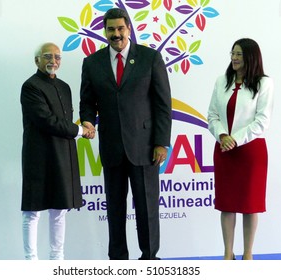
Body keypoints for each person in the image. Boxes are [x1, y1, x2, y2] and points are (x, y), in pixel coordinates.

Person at [79, 8, 172, 260]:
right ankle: (118, 262)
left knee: (147, 209)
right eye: (111, 29)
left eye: (120, 28)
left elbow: (163, 104)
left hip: (144, 148)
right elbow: (87, 102)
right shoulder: (92, 62)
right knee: (115, 209)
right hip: (111, 147)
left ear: (129, 29)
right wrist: (87, 120)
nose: (116, 34)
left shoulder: (150, 58)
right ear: (104, 31)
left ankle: (150, 258)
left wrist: (161, 143)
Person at [20, 42, 89, 260]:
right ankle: (31, 262)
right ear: (37, 60)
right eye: (48, 56)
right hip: (38, 156)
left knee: (59, 210)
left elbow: (62, 121)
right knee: (32, 212)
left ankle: (56, 261)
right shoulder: (30, 87)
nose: (53, 61)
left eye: (57, 57)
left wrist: (78, 130)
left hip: (63, 154)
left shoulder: (65, 87)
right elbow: (47, 121)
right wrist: (80, 131)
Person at [207, 38, 274, 260]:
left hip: (250, 151)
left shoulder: (264, 83)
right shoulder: (221, 81)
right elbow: (212, 116)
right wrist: (222, 136)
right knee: (227, 204)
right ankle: (228, 254)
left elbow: (261, 122)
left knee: (249, 204)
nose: (234, 58)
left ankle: (248, 254)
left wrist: (234, 139)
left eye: (239, 54)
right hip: (224, 149)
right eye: (232, 53)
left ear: (251, 57)